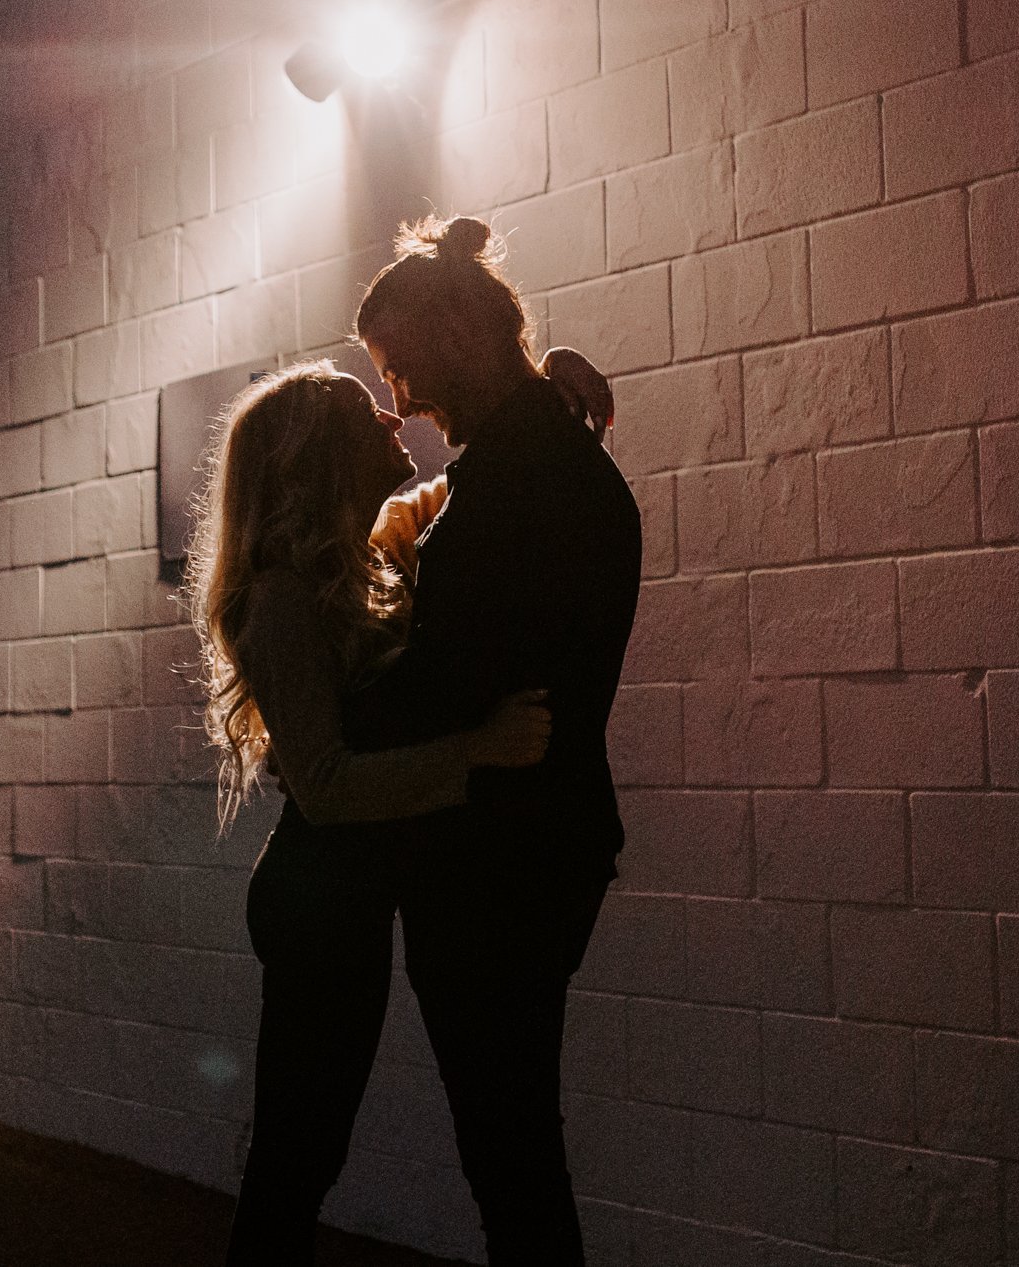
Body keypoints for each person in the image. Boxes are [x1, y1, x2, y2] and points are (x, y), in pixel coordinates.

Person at [191, 361, 555, 1266]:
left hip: (342, 894)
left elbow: (466, 482)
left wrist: (546, 385)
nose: (394, 414)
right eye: (366, 412)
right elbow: (326, 784)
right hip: (317, 895)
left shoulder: (359, 559)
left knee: (304, 1148)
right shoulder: (282, 598)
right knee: (297, 1152)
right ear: (320, 453)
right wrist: (477, 750)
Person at [345, 215, 642, 1266]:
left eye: (402, 366)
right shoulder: (544, 464)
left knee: (508, 1149)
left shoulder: (514, 485)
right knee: (514, 1142)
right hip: (541, 846)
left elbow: (438, 684)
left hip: (498, 863)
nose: (401, 398)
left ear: (462, 333)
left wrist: (329, 698)